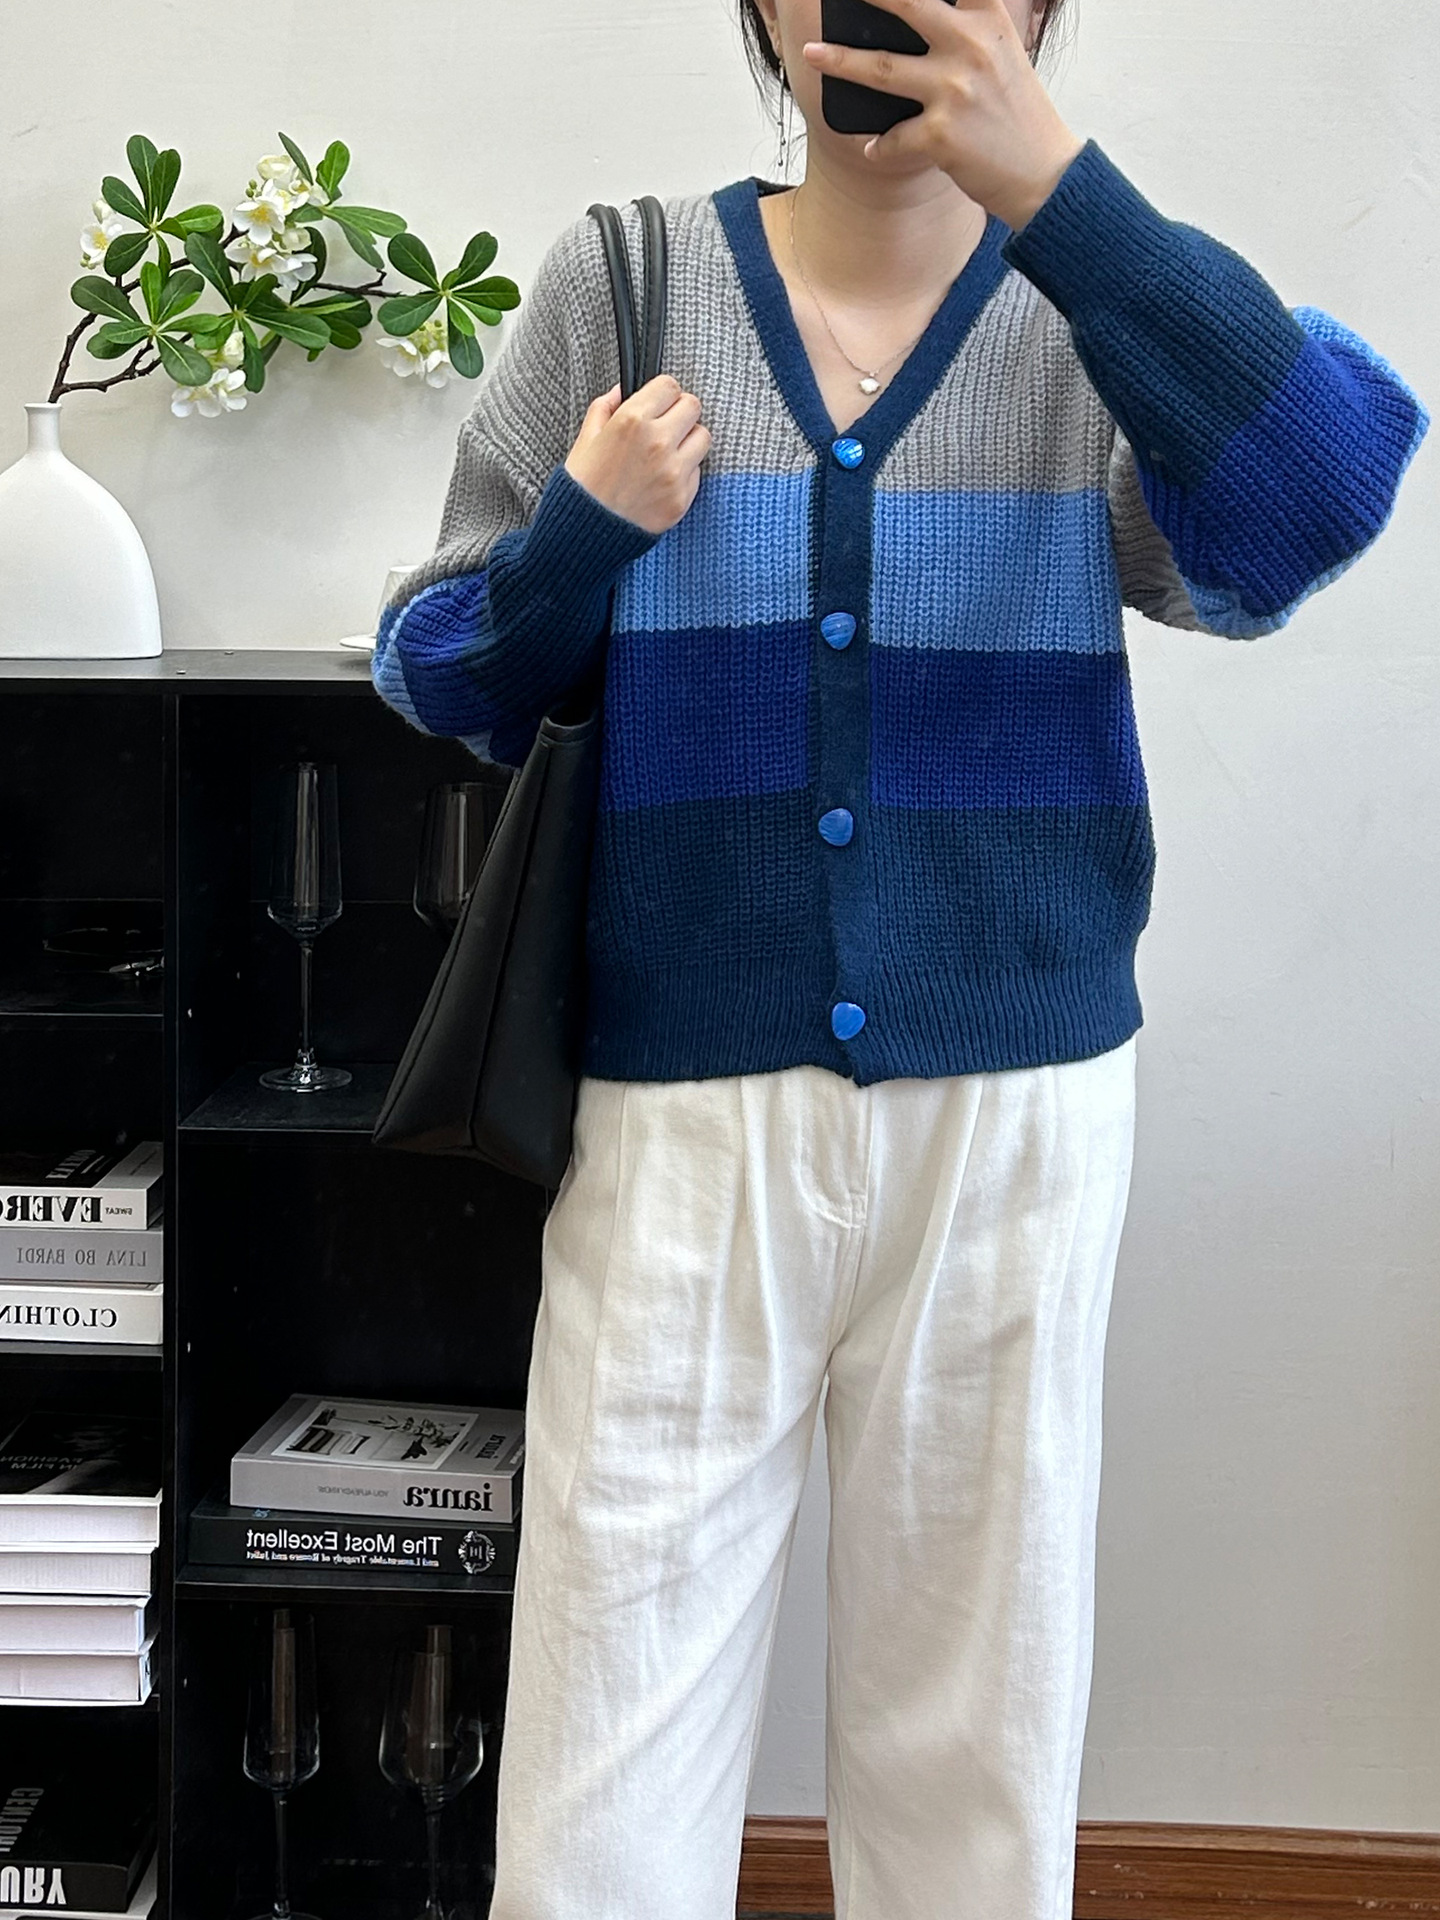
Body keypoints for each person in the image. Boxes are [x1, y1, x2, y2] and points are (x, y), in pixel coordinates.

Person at [370, 1, 1429, 1914]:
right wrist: (580, 541)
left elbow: (1314, 508)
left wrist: (1066, 201)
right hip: (682, 1118)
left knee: (977, 1746)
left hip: (1014, 1118)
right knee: (607, 1760)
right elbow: (436, 671)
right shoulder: (629, 280)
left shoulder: (1088, 311)